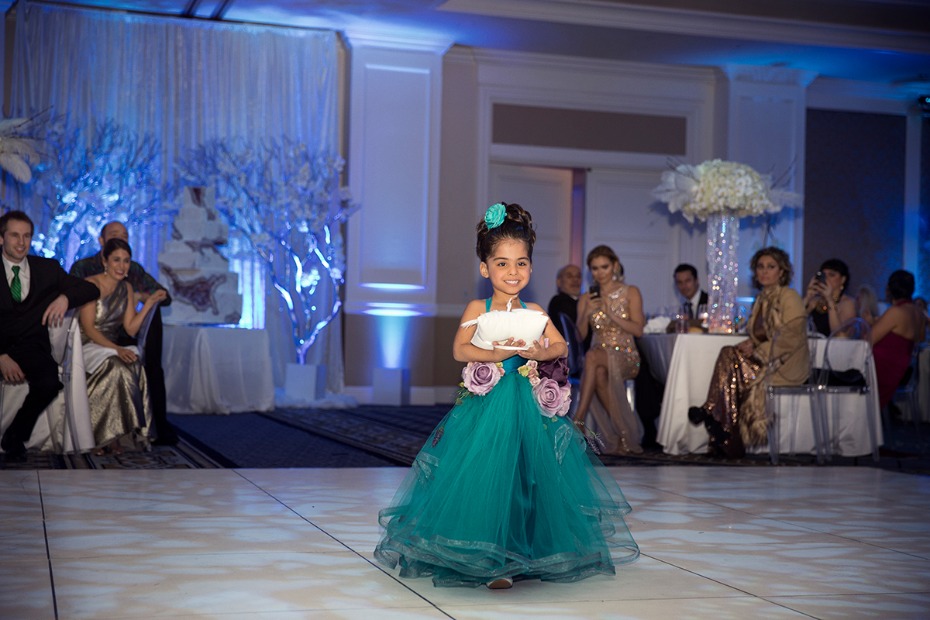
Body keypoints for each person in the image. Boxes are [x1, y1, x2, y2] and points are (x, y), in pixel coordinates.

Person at [374, 202, 638, 589]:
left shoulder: (534, 309)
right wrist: (494, 354)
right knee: (486, 473)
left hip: (529, 404)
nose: (512, 272)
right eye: (502, 263)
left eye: (521, 263)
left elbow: (561, 346)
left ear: (530, 266)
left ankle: (525, 551)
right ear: (485, 268)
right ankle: (490, 557)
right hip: (488, 405)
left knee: (528, 475)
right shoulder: (476, 308)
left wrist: (538, 352)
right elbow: (460, 349)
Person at [688, 247, 809, 459]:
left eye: (771, 267)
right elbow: (761, 335)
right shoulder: (762, 298)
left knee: (729, 359)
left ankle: (715, 418)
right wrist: (750, 344)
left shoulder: (790, 297)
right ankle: (725, 434)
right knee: (729, 356)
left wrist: (758, 348)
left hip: (784, 363)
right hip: (765, 360)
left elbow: (791, 336)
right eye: (760, 267)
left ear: (782, 272)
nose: (764, 272)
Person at [0, 210, 99, 461]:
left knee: (49, 382)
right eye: (14, 236)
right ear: (1, 239)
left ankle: (15, 436)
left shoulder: (47, 269)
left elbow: (89, 289)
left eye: (27, 236)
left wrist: (65, 297)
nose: (21, 242)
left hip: (31, 347)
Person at [70, 221, 178, 445]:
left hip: (115, 338)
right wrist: (117, 349)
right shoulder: (86, 275)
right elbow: (87, 327)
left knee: (136, 363)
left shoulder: (128, 282)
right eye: (117, 260)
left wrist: (146, 301)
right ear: (104, 257)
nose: (122, 265)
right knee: (117, 364)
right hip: (88, 340)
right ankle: (99, 435)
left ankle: (125, 433)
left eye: (126, 261)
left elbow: (132, 326)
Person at [574, 245, 645, 455]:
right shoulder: (587, 298)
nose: (600, 273)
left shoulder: (630, 292)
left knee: (592, 357)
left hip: (626, 355)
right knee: (598, 370)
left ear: (615, 266)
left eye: (604, 267)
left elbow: (639, 330)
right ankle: (623, 437)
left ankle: (578, 418)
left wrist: (609, 313)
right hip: (597, 357)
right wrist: (586, 312)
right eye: (595, 268)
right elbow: (579, 336)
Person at [871, 270, 926, 411]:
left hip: (880, 372)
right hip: (901, 370)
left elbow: (867, 341)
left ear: (889, 290)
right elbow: (921, 339)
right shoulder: (919, 313)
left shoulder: (896, 312)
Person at [803, 258, 856, 336]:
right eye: (824, 275)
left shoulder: (847, 303)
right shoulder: (816, 301)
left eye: (831, 275)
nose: (826, 278)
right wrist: (807, 297)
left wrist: (830, 300)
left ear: (843, 279)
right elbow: (793, 322)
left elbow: (838, 334)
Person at [547, 263, 582, 338]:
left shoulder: (583, 301)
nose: (575, 280)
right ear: (559, 282)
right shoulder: (558, 302)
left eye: (578, 276)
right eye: (569, 276)